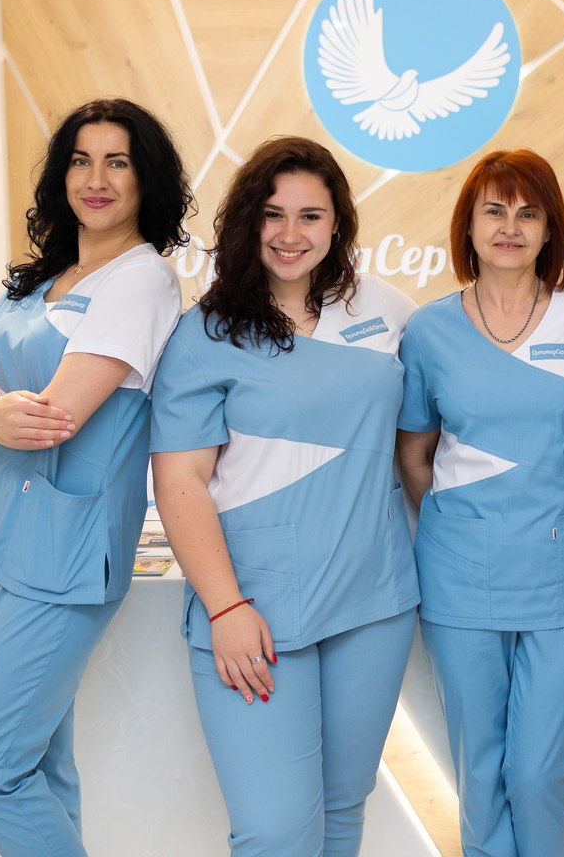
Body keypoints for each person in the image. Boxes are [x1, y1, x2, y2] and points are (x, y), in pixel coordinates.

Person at [0, 98, 190, 856]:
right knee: (39, 762)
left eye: (117, 162)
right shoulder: (35, 280)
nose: (95, 179)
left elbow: (54, 417)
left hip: (67, 552)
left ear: (145, 179)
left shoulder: (142, 281)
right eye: (80, 160)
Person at [149, 136, 419, 856]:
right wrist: (225, 608)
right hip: (255, 608)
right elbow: (180, 480)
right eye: (273, 214)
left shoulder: (386, 311)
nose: (291, 234)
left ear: (338, 223)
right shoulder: (205, 334)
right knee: (275, 830)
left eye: (311, 215)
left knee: (343, 806)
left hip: (374, 599)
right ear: (248, 221)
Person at [395, 148, 564, 857]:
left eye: (528, 213)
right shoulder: (428, 331)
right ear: (468, 225)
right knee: (481, 771)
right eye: (494, 210)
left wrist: (547, 501)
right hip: (461, 577)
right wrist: (468, 520)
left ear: (551, 229)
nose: (510, 227)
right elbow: (414, 454)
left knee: (540, 772)